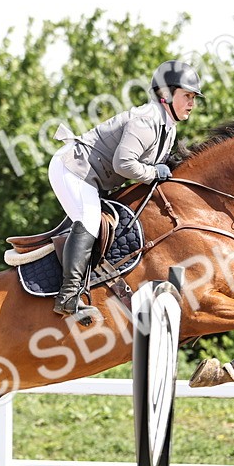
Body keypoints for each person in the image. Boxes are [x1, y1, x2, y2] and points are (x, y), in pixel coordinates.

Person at [47, 59, 203, 317]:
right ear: (165, 94)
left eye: (193, 97)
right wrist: (154, 172)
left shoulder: (169, 128)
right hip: (74, 169)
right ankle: (68, 294)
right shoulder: (146, 120)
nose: (192, 103)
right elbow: (123, 164)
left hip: (95, 177)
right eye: (187, 96)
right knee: (89, 219)